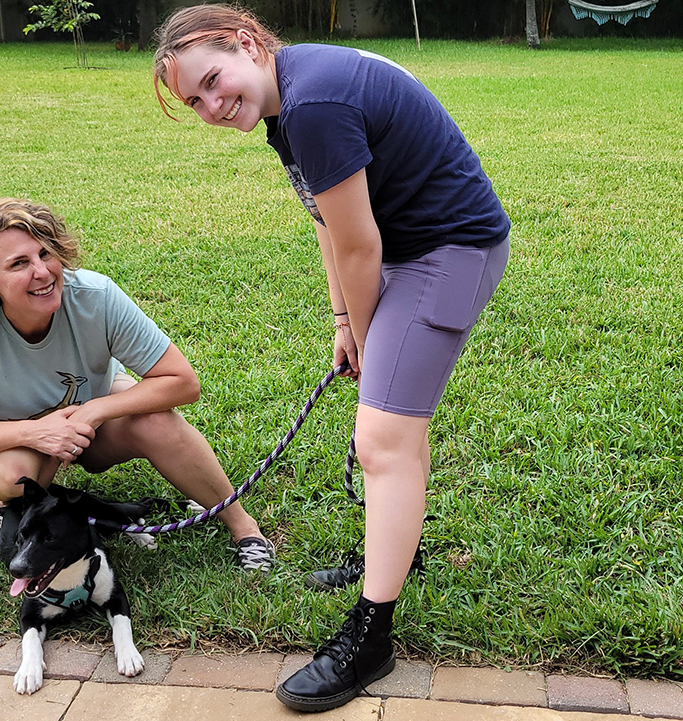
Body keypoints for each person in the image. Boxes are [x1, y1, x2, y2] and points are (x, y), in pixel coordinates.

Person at [153, 6, 509, 711]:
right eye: (194, 101)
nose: (211, 107)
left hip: (449, 252)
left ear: (249, 43)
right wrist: (344, 319)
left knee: (382, 438)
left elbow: (360, 247)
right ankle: (388, 554)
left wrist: (373, 345)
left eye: (213, 81)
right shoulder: (285, 99)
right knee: (391, 436)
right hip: (409, 252)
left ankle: (371, 638)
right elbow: (330, 219)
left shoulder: (311, 102)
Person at [0, 197, 275, 572]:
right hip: (4, 424)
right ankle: (13, 502)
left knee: (158, 419)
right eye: (19, 263)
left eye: (45, 253)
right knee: (10, 476)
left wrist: (93, 410)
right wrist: (39, 433)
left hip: (92, 407)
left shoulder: (95, 296)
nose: (42, 272)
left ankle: (244, 528)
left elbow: (183, 382)